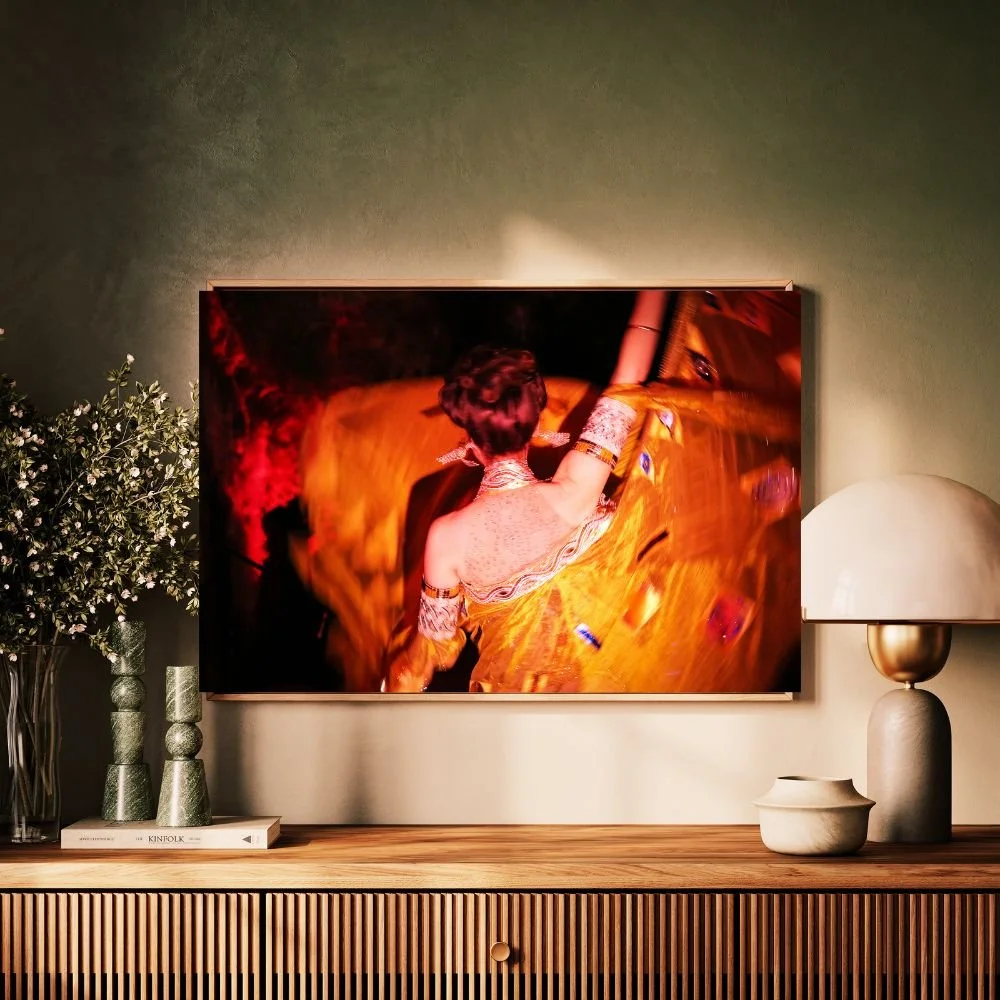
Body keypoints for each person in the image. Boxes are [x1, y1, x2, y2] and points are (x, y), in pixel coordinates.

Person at [383, 290, 670, 693]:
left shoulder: (445, 537)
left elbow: (430, 654)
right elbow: (628, 381)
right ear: (535, 423)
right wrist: (656, 283)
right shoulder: (577, 485)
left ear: (470, 437)